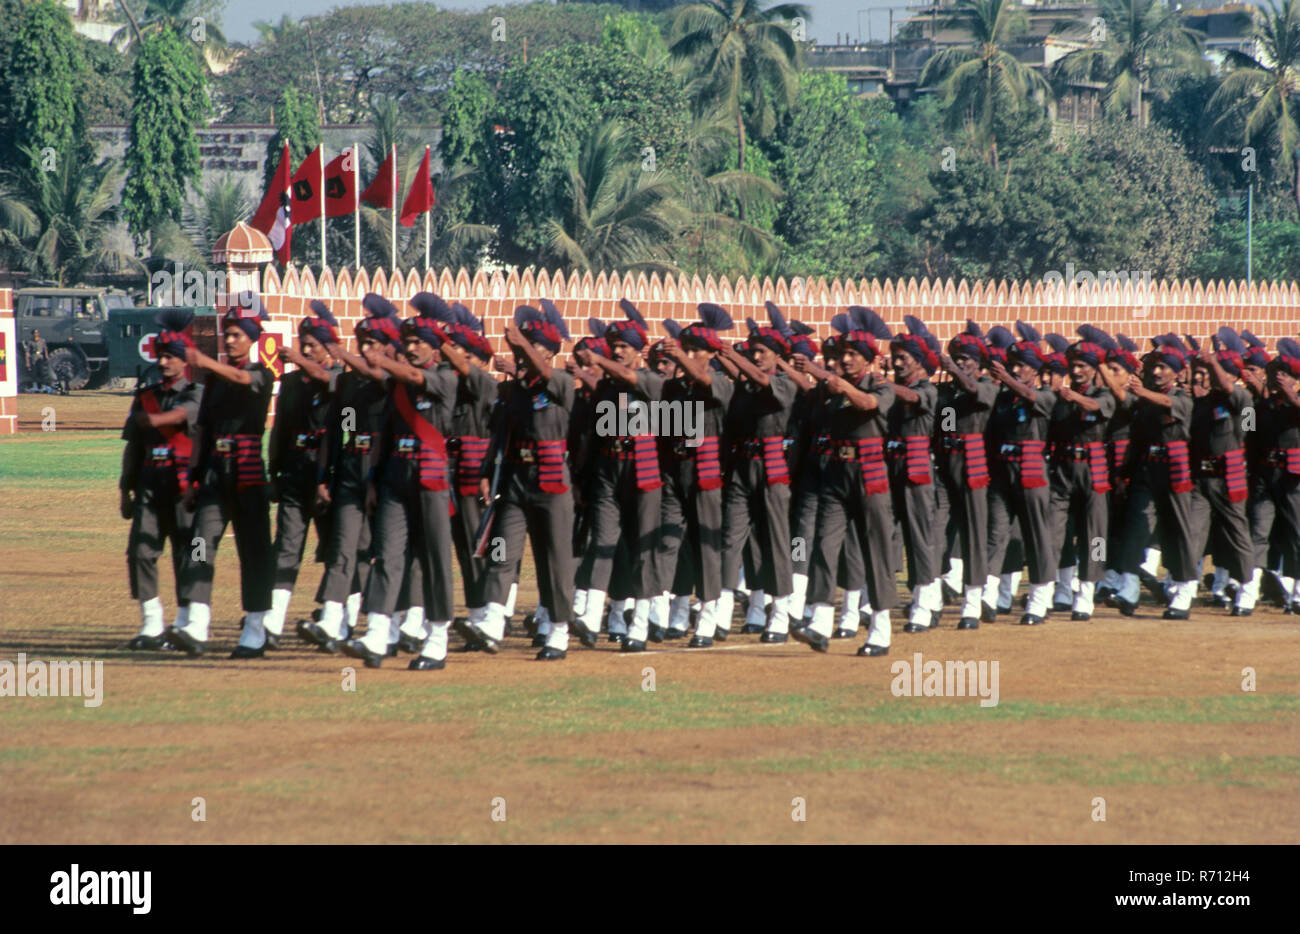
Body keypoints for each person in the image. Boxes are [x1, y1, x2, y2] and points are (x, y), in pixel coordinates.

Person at [342, 299, 462, 670]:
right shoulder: (397, 383)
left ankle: (437, 636)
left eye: (418, 342)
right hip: (396, 476)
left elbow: (414, 378)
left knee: (435, 558)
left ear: (434, 347)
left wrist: (384, 362)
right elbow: (385, 435)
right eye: (407, 341)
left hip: (431, 479)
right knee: (387, 553)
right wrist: (375, 480)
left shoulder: (444, 377)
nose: (410, 348)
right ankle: (378, 632)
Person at [167, 293, 275, 658]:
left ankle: (256, 629)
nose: (229, 340)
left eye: (236, 335)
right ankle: (197, 623)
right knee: (200, 542)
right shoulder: (214, 383)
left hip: (248, 475)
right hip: (215, 474)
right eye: (227, 334)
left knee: (254, 551)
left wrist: (206, 364)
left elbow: (242, 378)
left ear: (250, 339)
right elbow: (203, 432)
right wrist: (192, 479)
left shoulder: (262, 374)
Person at [475, 303, 585, 660]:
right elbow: (499, 437)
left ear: (550, 354)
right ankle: (492, 620)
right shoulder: (516, 391)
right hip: (516, 480)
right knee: (502, 549)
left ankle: (557, 630)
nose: (525, 356)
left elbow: (542, 373)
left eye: (534, 349)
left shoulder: (564, 383)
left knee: (554, 559)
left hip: (552, 481)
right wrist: (486, 476)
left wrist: (519, 343)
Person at [790, 307, 896, 656]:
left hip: (870, 475)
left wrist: (840, 385)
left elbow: (868, 404)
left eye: (852, 354)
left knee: (875, 551)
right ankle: (820, 621)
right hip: (835, 473)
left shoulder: (881, 385)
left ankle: (880, 628)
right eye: (841, 355)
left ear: (867, 360)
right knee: (823, 544)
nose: (845, 359)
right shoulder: (829, 389)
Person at [304, 298, 404, 652]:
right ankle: (333, 620)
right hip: (351, 467)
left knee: (384, 552)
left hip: (386, 471)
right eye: (362, 343)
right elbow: (338, 427)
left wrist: (345, 355)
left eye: (372, 344)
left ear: (389, 347)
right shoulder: (348, 385)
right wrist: (323, 475)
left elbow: (379, 373)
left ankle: (395, 623)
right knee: (344, 547)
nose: (365, 349)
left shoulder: (392, 377)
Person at [571, 299, 666, 653]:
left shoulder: (651, 380)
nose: (618, 351)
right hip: (609, 469)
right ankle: (591, 617)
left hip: (642, 470)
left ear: (639, 352)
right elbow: (594, 434)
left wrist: (598, 363)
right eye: (615, 346)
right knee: (603, 540)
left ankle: (639, 625)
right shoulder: (607, 388)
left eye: (625, 346)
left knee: (643, 548)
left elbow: (629, 378)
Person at [651, 304, 735, 648]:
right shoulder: (674, 388)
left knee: (706, 546)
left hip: (707, 473)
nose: (688, 355)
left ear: (712, 353)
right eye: (685, 349)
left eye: (695, 350)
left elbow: (702, 379)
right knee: (670, 543)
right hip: (676, 470)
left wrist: (679, 358)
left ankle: (708, 618)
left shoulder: (719, 382)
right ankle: (669, 613)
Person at [120, 309, 203, 650]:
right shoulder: (145, 395)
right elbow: (132, 447)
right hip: (151, 484)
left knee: (188, 554)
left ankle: (184, 623)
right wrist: (124, 488)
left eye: (172, 357)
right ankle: (152, 624)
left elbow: (183, 416)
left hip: (186, 486)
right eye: (162, 356)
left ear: (185, 361)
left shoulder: (197, 393)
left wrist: (150, 420)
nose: (165, 362)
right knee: (140, 551)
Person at [262, 302, 344, 646]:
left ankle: (335, 621)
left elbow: (347, 429)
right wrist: (274, 472)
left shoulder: (342, 379)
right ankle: (272, 623)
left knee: (336, 548)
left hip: (331, 476)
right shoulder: (293, 382)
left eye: (313, 344)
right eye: (303, 343)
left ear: (329, 347)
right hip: (296, 470)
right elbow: (281, 428)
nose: (307, 349)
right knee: (286, 545)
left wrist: (336, 476)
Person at [1111, 335, 1198, 618]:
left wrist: (1142, 393)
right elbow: (1136, 439)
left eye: (1163, 367)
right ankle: (1128, 587)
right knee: (1136, 526)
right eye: (1154, 367)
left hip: (1175, 470)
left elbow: (1166, 402)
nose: (1156, 372)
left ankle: (1183, 591)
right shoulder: (1143, 401)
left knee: (1177, 529)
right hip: (1147, 468)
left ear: (1177, 371)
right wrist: (1124, 474)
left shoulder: (1181, 397)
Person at [982, 323, 1058, 626]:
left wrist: (1006, 382)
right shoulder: (1002, 398)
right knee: (996, 532)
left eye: (1022, 366)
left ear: (1036, 372)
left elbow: (1030, 396)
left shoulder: (1046, 396)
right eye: (1012, 365)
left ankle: (1040, 600)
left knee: (1037, 536)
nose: (1015, 370)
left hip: (1032, 471)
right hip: (1002, 470)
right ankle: (987, 597)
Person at [1046, 327, 1117, 621]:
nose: (1075, 371)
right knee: (1055, 531)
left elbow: (1096, 407)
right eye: (1072, 366)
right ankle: (1061, 588)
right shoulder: (1060, 398)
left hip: (1094, 469)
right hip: (1063, 468)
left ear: (1093, 370)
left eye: (1082, 366)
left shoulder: (1103, 394)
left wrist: (1073, 397)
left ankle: (1087, 592)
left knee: (1094, 535)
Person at [1184, 330, 1256, 616]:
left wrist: (1212, 362)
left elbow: (1248, 426)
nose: (1204, 377)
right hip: (1202, 479)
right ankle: (1184, 592)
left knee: (1238, 534)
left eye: (1210, 373)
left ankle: (1247, 591)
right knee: (1192, 534)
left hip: (1230, 478)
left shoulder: (1241, 398)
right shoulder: (1203, 404)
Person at [932, 322, 998, 629]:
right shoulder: (947, 393)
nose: (960, 363)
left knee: (972, 534)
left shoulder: (986, 387)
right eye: (956, 358)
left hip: (973, 466)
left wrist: (953, 373)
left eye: (966, 359)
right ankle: (930, 596)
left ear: (980, 364)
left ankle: (972, 603)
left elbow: (972, 390)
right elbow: (945, 426)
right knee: (935, 531)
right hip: (947, 464)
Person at [887, 316, 944, 633]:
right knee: (884, 535)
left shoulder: (928, 391)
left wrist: (884, 385)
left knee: (920, 540)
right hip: (888, 466)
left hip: (917, 469)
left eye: (903, 358)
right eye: (894, 358)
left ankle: (924, 604)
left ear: (920, 363)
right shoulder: (893, 389)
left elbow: (912, 398)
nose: (896, 363)